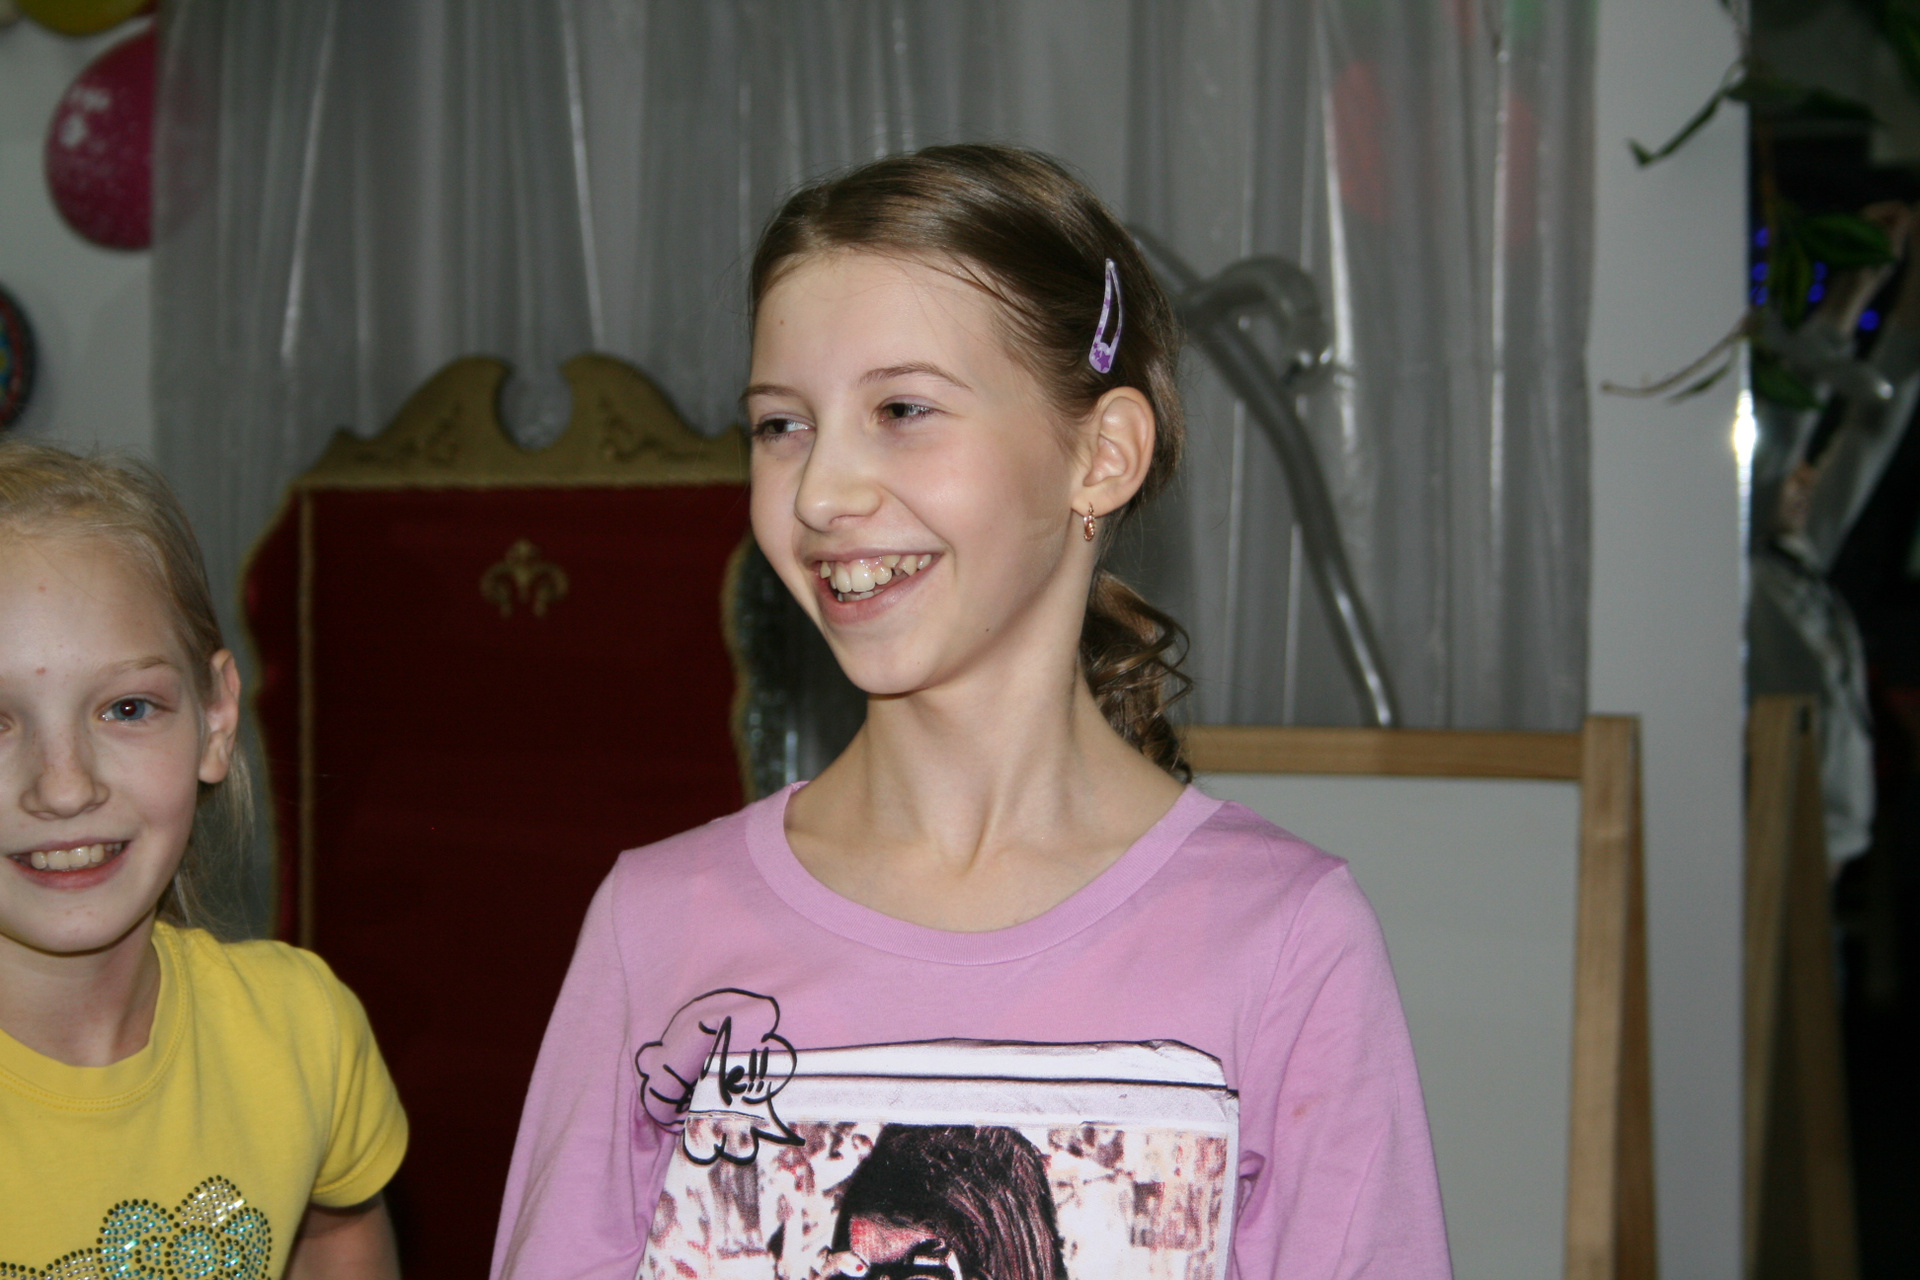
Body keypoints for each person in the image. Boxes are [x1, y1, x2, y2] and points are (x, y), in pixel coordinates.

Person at [492, 145, 1448, 1280]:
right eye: (781, 425)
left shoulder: (1287, 937)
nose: (821, 493)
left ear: (1101, 456)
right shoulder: (654, 924)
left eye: (902, 409)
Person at [0, 442, 407, 1278]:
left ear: (216, 721)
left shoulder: (301, 1032)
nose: (65, 787)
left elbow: (335, 1233)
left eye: (126, 708)